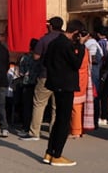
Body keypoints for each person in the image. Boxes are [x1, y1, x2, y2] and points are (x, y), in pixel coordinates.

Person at [41, 19, 87, 167]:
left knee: (59, 120)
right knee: (63, 121)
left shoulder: (54, 42)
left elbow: (45, 61)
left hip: (55, 84)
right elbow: (76, 63)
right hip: (65, 85)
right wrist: (80, 45)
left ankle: (50, 152)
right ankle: (57, 155)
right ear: (75, 33)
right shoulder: (66, 44)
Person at [20, 16, 63, 141]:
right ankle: (54, 133)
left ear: (50, 26)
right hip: (61, 76)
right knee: (56, 106)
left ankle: (34, 132)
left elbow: (36, 57)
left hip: (45, 75)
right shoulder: (65, 39)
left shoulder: (44, 39)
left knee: (39, 104)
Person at [70, 33, 94, 138]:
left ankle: (75, 130)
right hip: (84, 80)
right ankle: (80, 129)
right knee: (81, 106)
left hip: (76, 79)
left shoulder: (78, 51)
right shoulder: (86, 50)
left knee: (75, 106)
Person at [18, 38, 39, 134]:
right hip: (38, 83)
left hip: (27, 83)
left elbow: (21, 72)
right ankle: (35, 126)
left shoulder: (25, 57)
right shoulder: (40, 57)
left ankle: (26, 127)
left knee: (27, 106)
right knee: (37, 106)